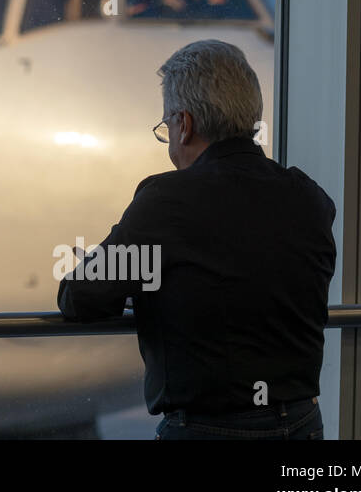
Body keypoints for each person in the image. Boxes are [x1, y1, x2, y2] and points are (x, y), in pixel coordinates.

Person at [56, 39, 336, 439]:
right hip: (303, 424)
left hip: (207, 429)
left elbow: (77, 298)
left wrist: (142, 281)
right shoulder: (309, 196)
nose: (168, 138)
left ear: (184, 125)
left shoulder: (167, 202)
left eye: (166, 126)